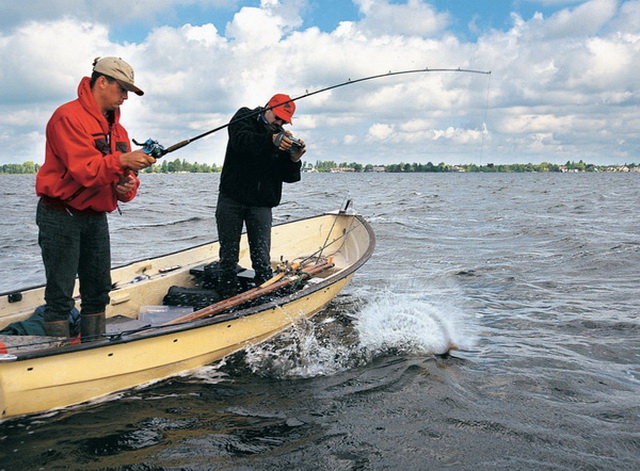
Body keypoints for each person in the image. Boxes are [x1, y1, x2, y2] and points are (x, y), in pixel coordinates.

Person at [35, 56, 156, 340]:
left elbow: (123, 175)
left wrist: (126, 187)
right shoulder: (66, 117)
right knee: (60, 296)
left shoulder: (120, 130)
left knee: (99, 291)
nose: (126, 97)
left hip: (95, 217)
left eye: (129, 91)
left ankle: (94, 346)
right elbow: (85, 171)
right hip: (60, 215)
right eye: (122, 89)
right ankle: (57, 357)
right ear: (102, 81)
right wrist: (124, 159)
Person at [215, 94, 306, 297]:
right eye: (278, 117)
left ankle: (265, 298)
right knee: (228, 257)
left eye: (284, 120)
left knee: (262, 259)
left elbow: (289, 177)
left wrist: (293, 159)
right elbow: (241, 141)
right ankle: (225, 297)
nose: (280, 122)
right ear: (268, 107)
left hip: (262, 205)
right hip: (231, 199)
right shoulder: (244, 117)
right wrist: (270, 140)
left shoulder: (283, 138)